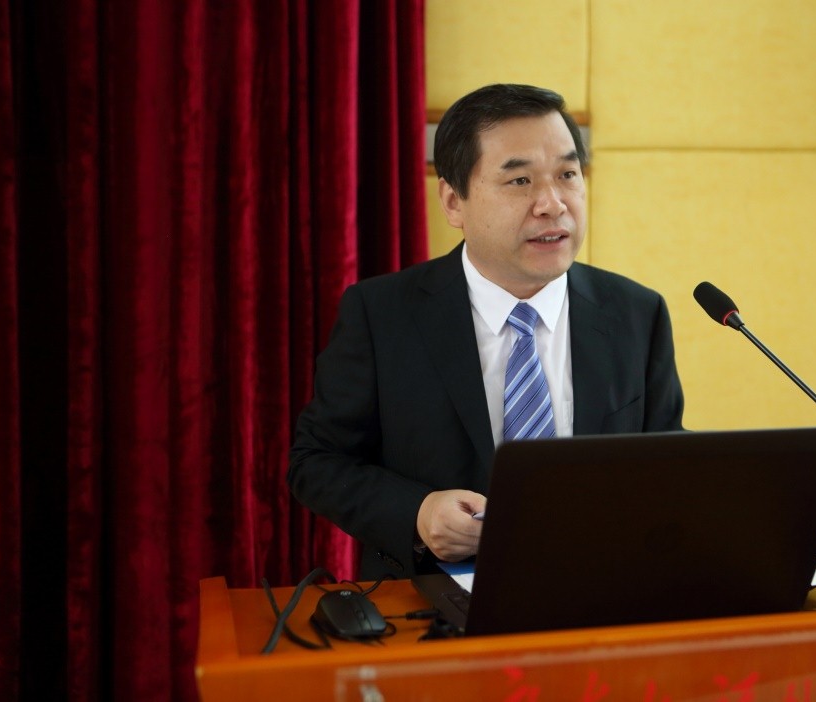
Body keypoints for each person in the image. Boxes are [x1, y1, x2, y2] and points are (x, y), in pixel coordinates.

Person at [288, 84, 685, 580]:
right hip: (434, 602)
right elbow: (316, 462)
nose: (552, 204)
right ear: (454, 202)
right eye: (519, 180)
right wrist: (418, 512)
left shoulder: (635, 313)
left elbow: (666, 463)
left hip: (601, 591)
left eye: (567, 174)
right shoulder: (382, 314)